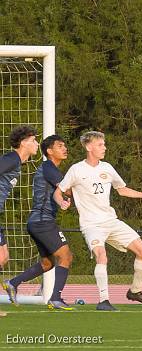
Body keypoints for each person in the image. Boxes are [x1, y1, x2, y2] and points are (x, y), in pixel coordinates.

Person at [56, 131, 142, 311]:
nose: (104, 147)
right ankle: (104, 301)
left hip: (111, 221)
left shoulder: (107, 167)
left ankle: (135, 291)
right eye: (100, 145)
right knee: (101, 255)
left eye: (104, 144)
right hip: (91, 225)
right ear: (88, 147)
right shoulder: (76, 169)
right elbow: (58, 191)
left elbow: (122, 190)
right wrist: (62, 202)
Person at [3, 135, 74, 310]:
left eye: (65, 145)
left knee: (48, 263)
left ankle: (13, 282)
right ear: (49, 151)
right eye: (60, 146)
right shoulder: (49, 167)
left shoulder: (50, 169)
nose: (64, 149)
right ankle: (55, 298)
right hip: (43, 221)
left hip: (37, 222)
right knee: (66, 256)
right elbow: (68, 189)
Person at [0, 126, 39, 317]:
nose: (37, 144)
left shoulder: (17, 162)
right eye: (33, 140)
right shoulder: (12, 159)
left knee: (3, 257)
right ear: (23, 142)